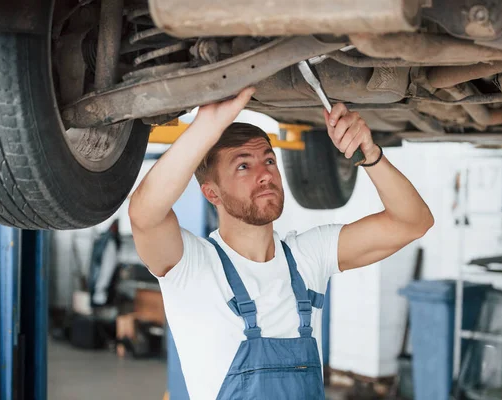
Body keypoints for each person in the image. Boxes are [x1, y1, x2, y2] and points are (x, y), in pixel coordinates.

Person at [129, 87, 434, 400]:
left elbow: (412, 222)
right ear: (212, 193)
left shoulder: (307, 257)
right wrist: (205, 127)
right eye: (243, 166)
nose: (264, 174)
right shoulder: (190, 266)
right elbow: (145, 215)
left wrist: (370, 155)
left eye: (269, 160)